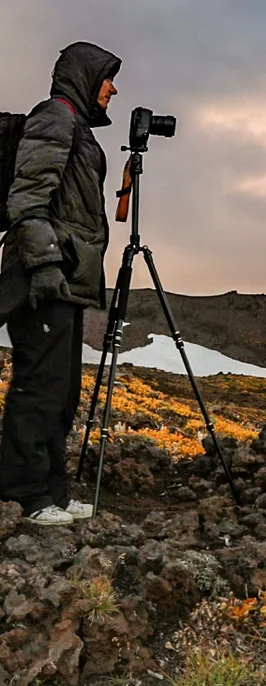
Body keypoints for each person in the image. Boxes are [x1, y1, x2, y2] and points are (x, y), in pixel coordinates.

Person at [0, 42, 122, 525]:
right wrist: (46, 264)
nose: (113, 89)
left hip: (64, 277)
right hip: (43, 277)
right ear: (86, 78)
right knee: (40, 387)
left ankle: (52, 489)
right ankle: (24, 496)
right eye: (108, 78)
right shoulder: (55, 117)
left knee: (62, 390)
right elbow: (26, 200)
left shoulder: (77, 128)